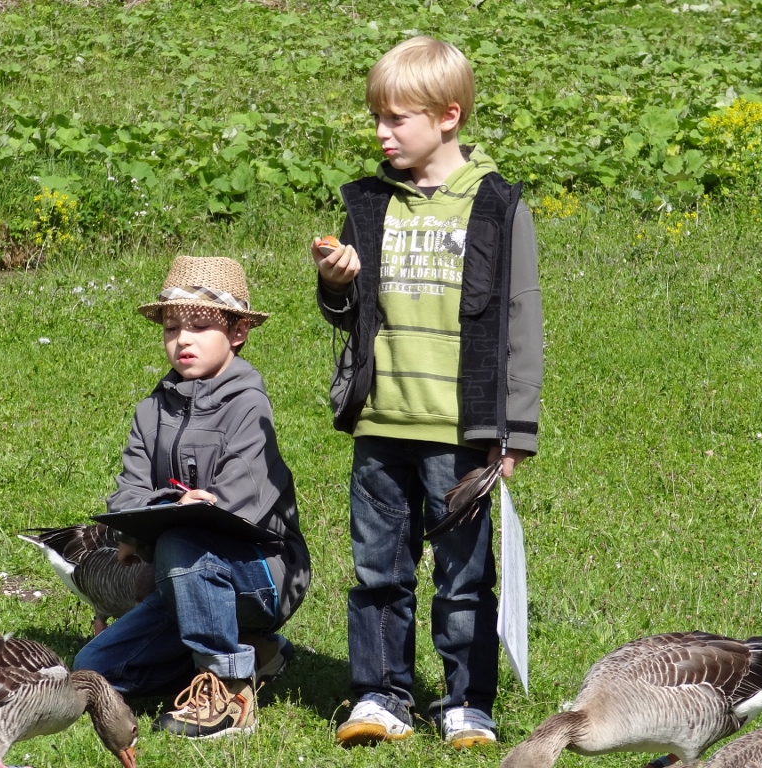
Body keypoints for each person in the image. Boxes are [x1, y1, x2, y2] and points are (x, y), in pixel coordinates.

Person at [310, 36, 543, 748]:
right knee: (379, 572)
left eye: (396, 119)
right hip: (382, 423)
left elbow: (521, 319)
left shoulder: (500, 206)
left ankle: (467, 703)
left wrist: (515, 432)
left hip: (463, 432)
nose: (381, 133)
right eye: (376, 118)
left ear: (448, 115)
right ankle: (381, 697)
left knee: (465, 579)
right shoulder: (368, 205)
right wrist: (336, 286)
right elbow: (346, 318)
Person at [74, 255, 311, 740]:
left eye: (201, 327)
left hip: (262, 574)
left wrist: (171, 521)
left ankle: (228, 686)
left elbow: (239, 503)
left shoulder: (249, 405)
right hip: (181, 576)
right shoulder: (150, 410)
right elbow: (127, 498)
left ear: (239, 331)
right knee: (93, 670)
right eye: (172, 327)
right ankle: (256, 651)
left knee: (184, 543)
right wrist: (170, 509)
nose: (183, 340)